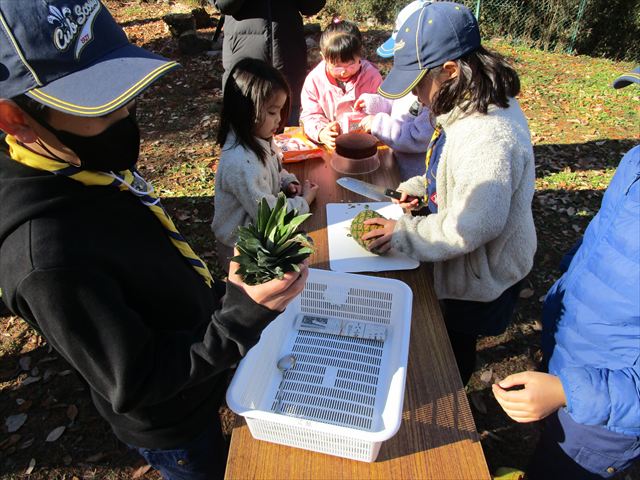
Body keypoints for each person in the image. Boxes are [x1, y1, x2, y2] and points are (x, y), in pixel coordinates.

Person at [0, 2, 308, 479]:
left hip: (197, 358)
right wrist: (239, 315)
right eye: (99, 106)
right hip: (169, 419)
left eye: (124, 91)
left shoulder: (80, 161)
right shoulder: (48, 260)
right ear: (15, 119)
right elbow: (138, 380)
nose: (125, 114)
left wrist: (216, 300)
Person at [362, 2, 536, 385]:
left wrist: (403, 233)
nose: (419, 98)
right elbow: (451, 173)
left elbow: (472, 224)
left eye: (420, 85)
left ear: (451, 72)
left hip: (480, 276)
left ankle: (454, 393)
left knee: (454, 348)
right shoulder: (465, 105)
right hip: (465, 265)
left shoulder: (486, 133)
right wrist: (418, 191)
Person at [492, 67, 640, 479]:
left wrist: (568, 392)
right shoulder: (636, 161)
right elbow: (606, 235)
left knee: (568, 464)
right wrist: (570, 271)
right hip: (575, 353)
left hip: (607, 416)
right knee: (551, 442)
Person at [211, 58, 319, 269]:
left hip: (258, 239)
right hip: (242, 251)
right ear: (245, 109)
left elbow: (274, 167)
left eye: (280, 110)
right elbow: (270, 215)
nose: (279, 119)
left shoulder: (258, 138)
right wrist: (304, 201)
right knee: (250, 298)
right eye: (272, 112)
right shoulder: (241, 162)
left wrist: (286, 181)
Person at [355, 0, 440, 181]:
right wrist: (373, 103)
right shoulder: (414, 76)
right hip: (396, 166)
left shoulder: (437, 97)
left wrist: (378, 124)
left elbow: (417, 137)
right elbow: (393, 98)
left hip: (418, 177)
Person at [210, 0, 326, 126]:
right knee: (244, 136)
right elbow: (224, 5)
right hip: (246, 69)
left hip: (288, 62)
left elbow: (312, 6)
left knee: (287, 139)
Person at [300, 19, 383, 149]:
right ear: (324, 57)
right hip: (332, 147)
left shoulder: (371, 76)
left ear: (359, 55)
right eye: (337, 67)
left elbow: (384, 107)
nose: (344, 72)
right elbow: (310, 115)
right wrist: (322, 132)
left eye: (351, 64)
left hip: (365, 143)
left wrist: (371, 123)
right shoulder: (315, 81)